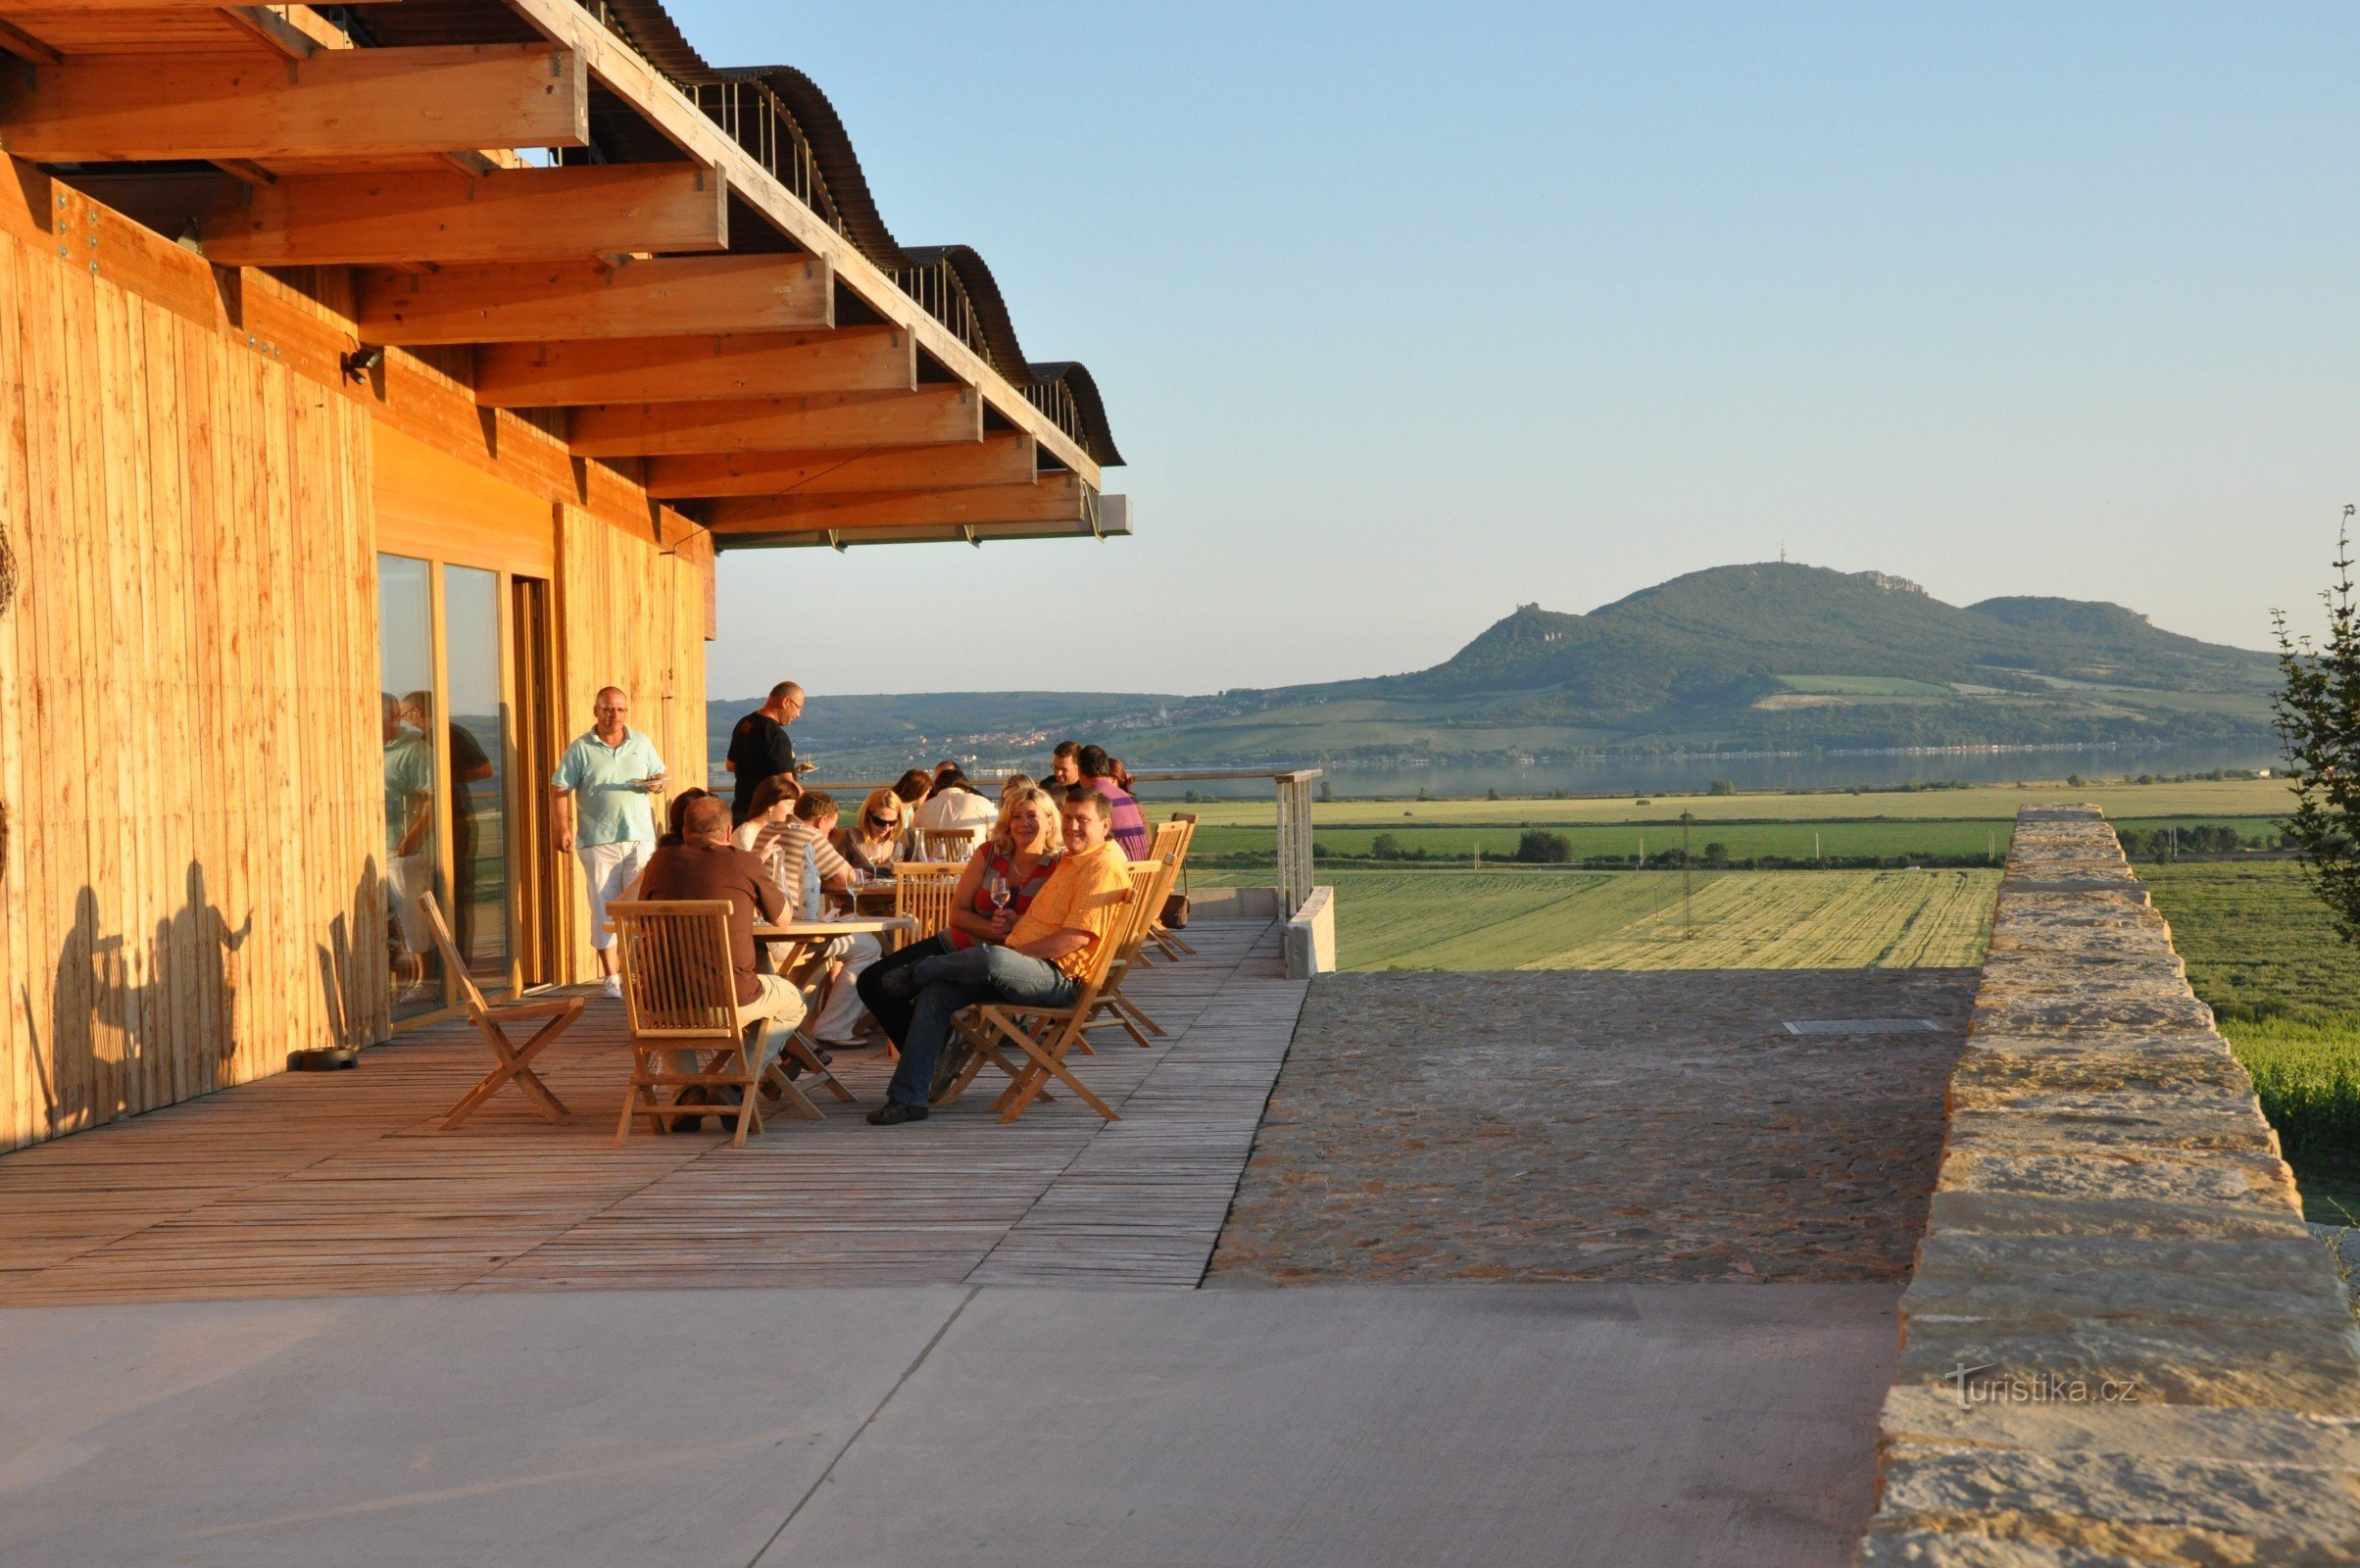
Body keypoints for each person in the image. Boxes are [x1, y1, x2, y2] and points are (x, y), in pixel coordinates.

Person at [866, 788, 1133, 1125]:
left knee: (992, 958)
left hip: (1058, 977)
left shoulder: (1101, 866)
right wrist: (1018, 924)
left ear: (1105, 825)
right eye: (1069, 818)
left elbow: (1074, 938)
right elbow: (1049, 922)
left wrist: (1016, 952)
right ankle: (908, 1098)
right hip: (1025, 963)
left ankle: (919, 970)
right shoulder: (1072, 860)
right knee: (938, 993)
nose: (1073, 826)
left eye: (1083, 820)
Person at [635, 796, 805, 1128]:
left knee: (665, 1006)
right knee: (793, 1002)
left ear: (685, 832)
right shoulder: (744, 861)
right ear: (729, 832)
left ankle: (689, 1093)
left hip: (661, 1007)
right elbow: (783, 919)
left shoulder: (658, 862)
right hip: (729, 1001)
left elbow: (643, 921)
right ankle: (733, 1082)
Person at [857, 785, 1062, 1054]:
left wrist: (1015, 927)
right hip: (959, 943)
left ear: (1049, 822)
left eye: (1032, 816)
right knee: (872, 981)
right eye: (1015, 816)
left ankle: (931, 1056)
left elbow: (1056, 920)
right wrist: (992, 927)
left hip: (1008, 960)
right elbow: (958, 914)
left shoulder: (1059, 864)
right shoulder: (989, 854)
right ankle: (936, 1053)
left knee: (924, 988)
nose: (1023, 823)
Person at [551, 686, 666, 999]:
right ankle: (611, 977)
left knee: (641, 906)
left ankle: (640, 974)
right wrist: (561, 828)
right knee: (604, 906)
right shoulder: (581, 748)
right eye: (607, 709)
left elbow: (659, 775)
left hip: (640, 836)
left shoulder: (640, 742)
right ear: (596, 711)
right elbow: (559, 788)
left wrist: (656, 785)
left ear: (625, 712)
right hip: (597, 840)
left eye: (619, 709)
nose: (614, 715)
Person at [724, 682, 810, 825]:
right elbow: (787, 780)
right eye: (798, 708)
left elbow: (730, 765)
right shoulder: (776, 735)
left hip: (741, 810)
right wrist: (807, 805)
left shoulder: (745, 723)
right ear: (786, 701)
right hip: (766, 817)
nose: (798, 714)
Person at [1076, 744, 1150, 860]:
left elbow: (1082, 842)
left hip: (1119, 872)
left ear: (1079, 771)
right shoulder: (1125, 796)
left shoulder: (1092, 799)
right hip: (1142, 871)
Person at [912, 768, 1000, 843]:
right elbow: (998, 835)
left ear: (936, 789)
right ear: (965, 788)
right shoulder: (981, 802)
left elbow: (915, 841)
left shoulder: (922, 810)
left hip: (932, 862)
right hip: (973, 861)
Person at [835, 787, 907, 876]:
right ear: (867, 816)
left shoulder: (903, 838)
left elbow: (916, 873)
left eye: (892, 822)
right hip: (863, 889)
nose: (886, 827)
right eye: (880, 821)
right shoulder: (851, 839)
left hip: (897, 890)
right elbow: (836, 872)